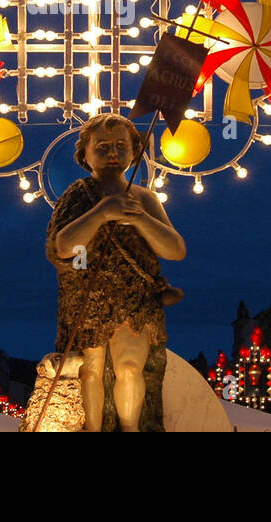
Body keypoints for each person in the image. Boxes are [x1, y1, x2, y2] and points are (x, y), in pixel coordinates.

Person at [45, 113, 187, 431]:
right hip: (88, 295)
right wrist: (101, 214)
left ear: (134, 151)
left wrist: (141, 220)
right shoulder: (78, 195)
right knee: (90, 368)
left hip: (135, 297)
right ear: (85, 154)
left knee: (129, 366)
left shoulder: (144, 198)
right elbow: (64, 246)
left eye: (121, 146)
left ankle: (130, 427)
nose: (112, 153)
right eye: (103, 146)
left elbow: (175, 249)